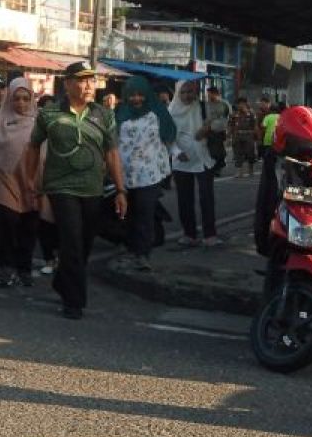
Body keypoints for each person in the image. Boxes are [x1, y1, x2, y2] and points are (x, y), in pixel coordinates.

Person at [25, 61, 125, 319]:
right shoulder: (49, 113)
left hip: (93, 188)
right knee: (71, 241)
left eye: (92, 80)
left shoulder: (104, 115)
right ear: (67, 83)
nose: (89, 85)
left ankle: (62, 280)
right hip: (61, 187)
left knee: (85, 242)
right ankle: (74, 301)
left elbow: (112, 153)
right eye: (82, 80)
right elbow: (34, 146)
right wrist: (30, 180)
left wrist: (122, 190)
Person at [0, 77, 40, 287]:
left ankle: (24, 267)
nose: (21, 103)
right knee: (8, 223)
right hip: (4, 180)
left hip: (31, 182)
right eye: (16, 99)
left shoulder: (39, 122)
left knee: (29, 227)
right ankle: (6, 267)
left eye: (26, 98)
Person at [115, 76, 177, 272]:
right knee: (127, 215)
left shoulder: (157, 111)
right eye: (132, 95)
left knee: (144, 213)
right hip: (124, 173)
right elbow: (112, 139)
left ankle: (143, 255)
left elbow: (169, 135)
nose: (136, 99)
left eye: (140, 94)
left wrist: (174, 154)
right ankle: (131, 250)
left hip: (149, 173)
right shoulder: (120, 112)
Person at [170, 80, 221, 246]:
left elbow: (222, 121)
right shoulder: (170, 111)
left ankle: (210, 235)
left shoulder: (203, 107)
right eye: (183, 92)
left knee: (206, 198)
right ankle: (189, 234)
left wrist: (208, 128)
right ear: (177, 93)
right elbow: (167, 137)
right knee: (185, 199)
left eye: (190, 92)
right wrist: (177, 152)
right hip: (181, 161)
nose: (186, 96)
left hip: (203, 158)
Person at [227, 96, 259, 178]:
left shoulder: (251, 113)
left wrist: (256, 136)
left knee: (250, 154)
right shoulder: (234, 114)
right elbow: (230, 125)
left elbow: (255, 125)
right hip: (237, 136)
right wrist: (229, 135)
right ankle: (239, 172)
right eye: (239, 104)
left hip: (248, 135)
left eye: (242, 104)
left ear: (245, 104)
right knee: (237, 153)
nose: (240, 105)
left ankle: (250, 170)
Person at [204, 85, 230, 176]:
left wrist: (227, 128)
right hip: (209, 130)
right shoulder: (206, 104)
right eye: (208, 94)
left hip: (220, 131)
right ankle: (213, 167)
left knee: (219, 151)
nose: (208, 96)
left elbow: (228, 117)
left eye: (210, 94)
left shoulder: (224, 104)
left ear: (215, 94)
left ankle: (219, 166)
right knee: (211, 150)